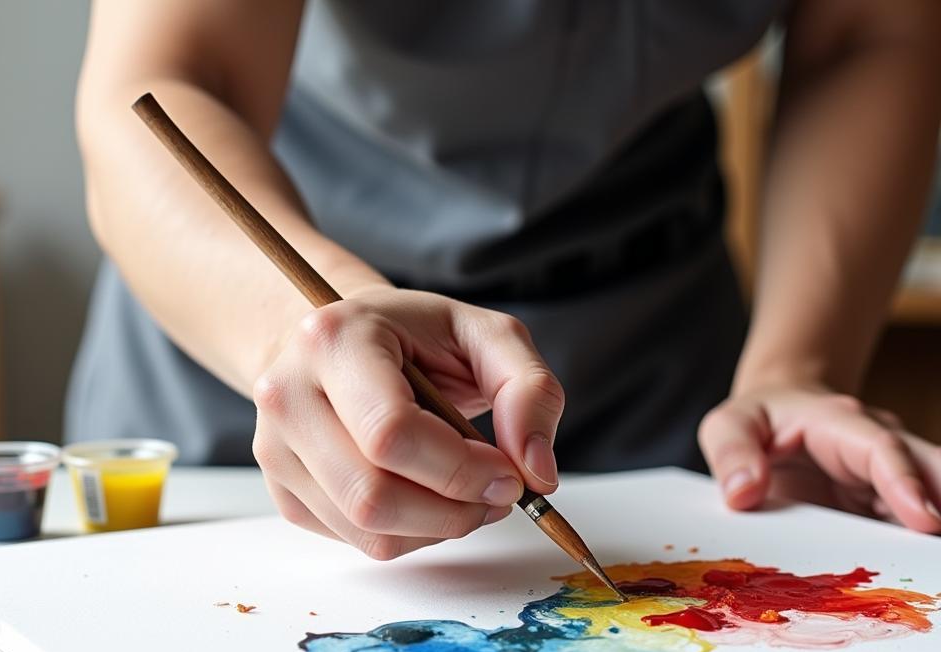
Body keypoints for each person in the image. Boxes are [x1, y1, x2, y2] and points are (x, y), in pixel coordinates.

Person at [70, 0, 941, 561]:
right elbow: (169, 75)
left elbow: (868, 34)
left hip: (658, 346)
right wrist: (323, 316)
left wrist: (797, 368)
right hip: (270, 305)